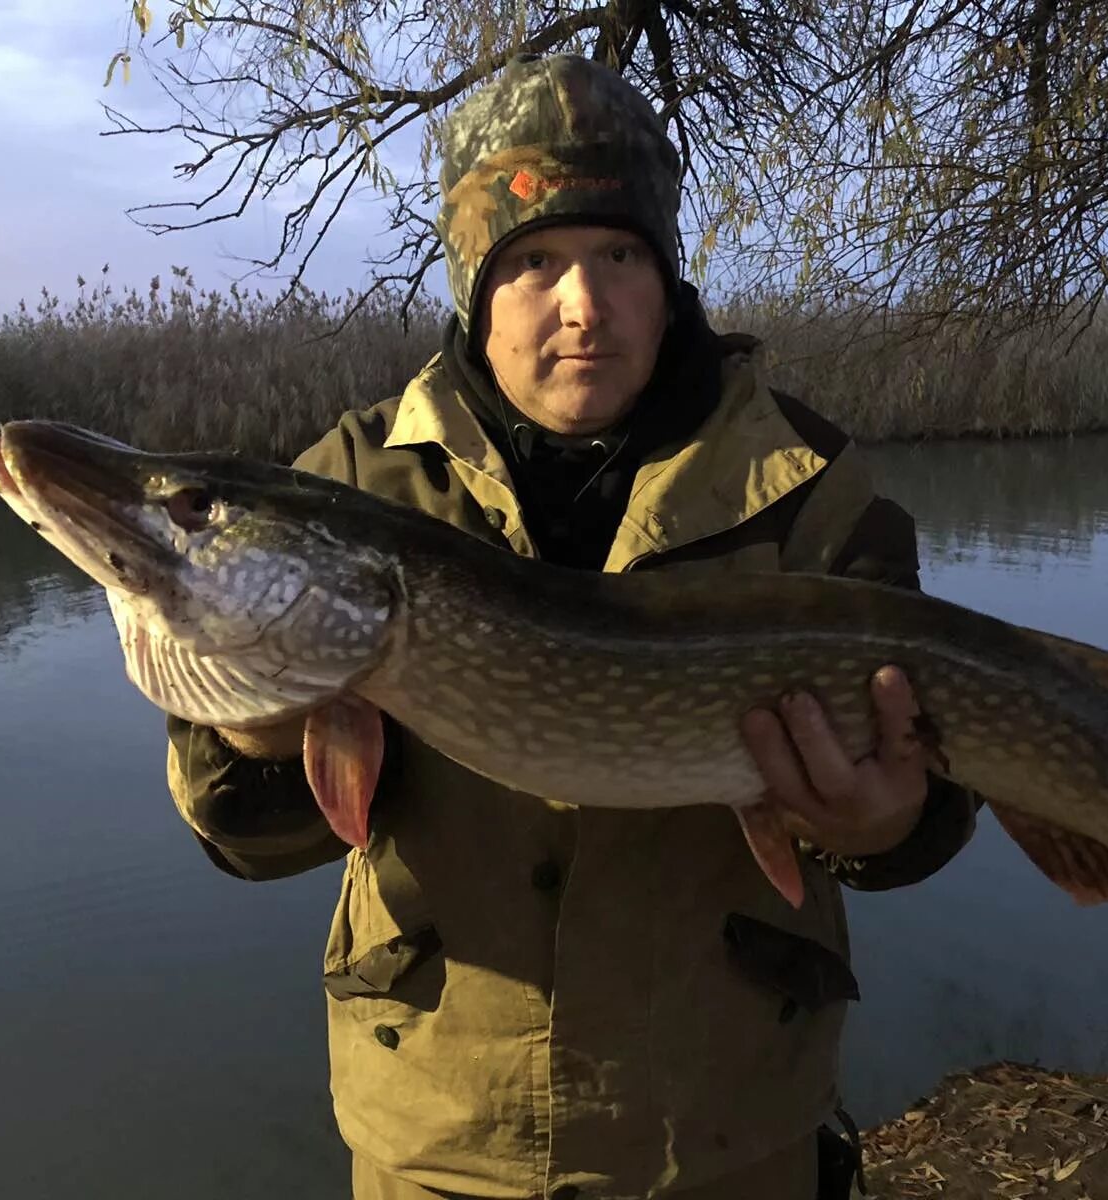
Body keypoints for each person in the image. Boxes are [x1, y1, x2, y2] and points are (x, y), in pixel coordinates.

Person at [166, 53, 978, 1200]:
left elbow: (936, 797)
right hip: (444, 1140)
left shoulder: (809, 492)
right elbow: (243, 842)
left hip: (724, 1134)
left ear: (666, 276)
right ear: (473, 285)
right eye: (534, 262)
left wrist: (890, 823)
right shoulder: (351, 488)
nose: (581, 305)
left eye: (617, 256)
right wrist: (254, 735)